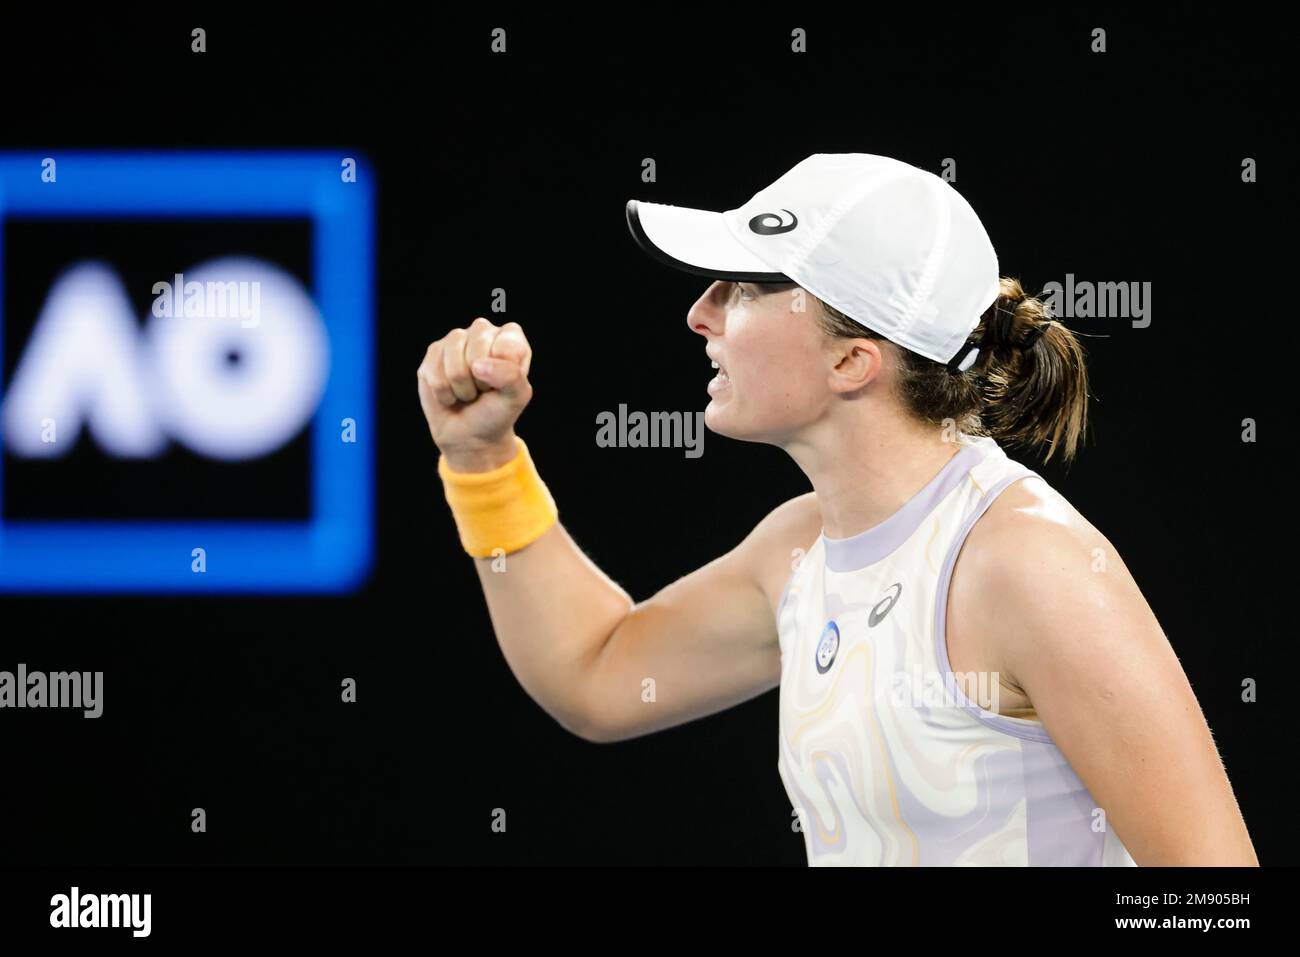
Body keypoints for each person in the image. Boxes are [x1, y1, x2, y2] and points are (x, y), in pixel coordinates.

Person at [416, 153, 1258, 866]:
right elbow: (595, 674)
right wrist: (482, 460)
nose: (699, 312)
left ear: (853, 361)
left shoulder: (1030, 564)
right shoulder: (797, 548)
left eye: (743, 289)